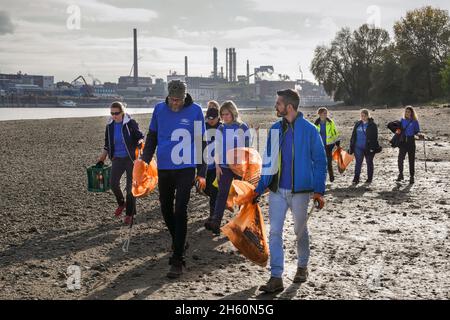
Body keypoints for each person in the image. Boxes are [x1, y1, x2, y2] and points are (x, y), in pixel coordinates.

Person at [253, 89, 327, 293]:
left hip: (301, 192)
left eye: (278, 103)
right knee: (275, 232)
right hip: (277, 192)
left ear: (289, 107)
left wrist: (319, 191)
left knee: (300, 231)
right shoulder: (275, 130)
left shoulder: (310, 130)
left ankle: (302, 267)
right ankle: (276, 276)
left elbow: (320, 161)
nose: (275, 107)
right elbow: (268, 164)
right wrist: (258, 189)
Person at [141, 80, 206, 278]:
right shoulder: (159, 109)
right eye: (172, 99)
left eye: (179, 100)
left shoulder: (195, 111)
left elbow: (201, 143)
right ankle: (180, 240)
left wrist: (202, 172)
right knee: (165, 208)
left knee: (180, 209)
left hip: (186, 167)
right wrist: (144, 161)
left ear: (185, 97)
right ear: (168, 96)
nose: (175, 103)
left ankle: (178, 259)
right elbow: (152, 137)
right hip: (165, 166)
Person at [204, 101, 251, 235]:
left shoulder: (242, 127)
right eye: (222, 114)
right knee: (222, 194)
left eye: (227, 114)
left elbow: (248, 149)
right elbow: (217, 148)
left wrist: (246, 168)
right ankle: (216, 222)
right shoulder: (221, 129)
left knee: (242, 196)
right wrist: (218, 166)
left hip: (239, 167)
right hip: (224, 166)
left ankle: (242, 225)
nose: (224, 117)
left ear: (233, 113)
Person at [97, 101, 144, 225]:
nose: (114, 116)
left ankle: (129, 214)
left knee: (130, 188)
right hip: (117, 158)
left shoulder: (130, 123)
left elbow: (140, 136)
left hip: (130, 159)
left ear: (122, 112)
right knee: (113, 183)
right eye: (112, 113)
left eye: (116, 113)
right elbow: (107, 144)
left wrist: (139, 142)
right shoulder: (110, 125)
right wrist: (102, 159)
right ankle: (121, 203)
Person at [202, 101, 222, 228]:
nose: (210, 121)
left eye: (213, 119)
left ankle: (213, 216)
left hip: (218, 165)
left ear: (218, 118)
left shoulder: (222, 127)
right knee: (206, 189)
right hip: (206, 164)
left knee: (214, 191)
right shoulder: (203, 127)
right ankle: (220, 204)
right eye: (208, 118)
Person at [348, 109, 381, 185]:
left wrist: (373, 148)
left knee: (369, 162)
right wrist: (351, 146)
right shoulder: (358, 124)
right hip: (358, 147)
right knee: (358, 163)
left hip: (368, 147)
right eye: (361, 116)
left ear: (368, 116)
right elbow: (353, 135)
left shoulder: (372, 125)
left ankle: (369, 178)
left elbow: (374, 137)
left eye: (364, 116)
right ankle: (356, 178)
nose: (363, 117)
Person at [396, 106, 423, 184]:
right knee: (400, 159)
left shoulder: (415, 121)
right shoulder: (402, 120)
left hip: (411, 141)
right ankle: (401, 174)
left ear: (412, 113)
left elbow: (417, 131)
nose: (407, 113)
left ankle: (412, 177)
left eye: (408, 112)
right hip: (403, 142)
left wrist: (420, 135)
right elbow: (398, 130)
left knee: (411, 160)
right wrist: (396, 134)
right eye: (406, 111)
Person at [314, 107, 341, 182]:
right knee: (321, 162)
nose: (325, 115)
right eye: (324, 113)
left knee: (329, 161)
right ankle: (322, 177)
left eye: (326, 113)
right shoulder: (316, 123)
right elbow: (314, 134)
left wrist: (337, 142)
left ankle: (331, 176)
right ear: (320, 114)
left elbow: (334, 132)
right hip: (320, 145)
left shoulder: (330, 122)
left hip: (329, 145)